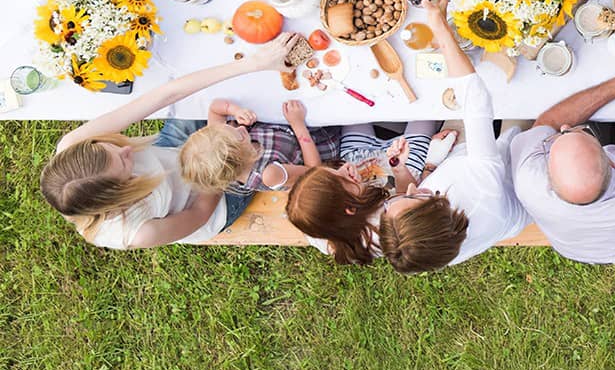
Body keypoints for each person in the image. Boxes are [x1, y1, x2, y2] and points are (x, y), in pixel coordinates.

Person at [38, 32, 300, 249]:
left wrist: (254, 63)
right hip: (215, 195)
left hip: (179, 150)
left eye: (112, 148)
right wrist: (215, 157)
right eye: (124, 161)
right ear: (121, 192)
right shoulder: (135, 232)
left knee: (218, 92)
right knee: (267, 137)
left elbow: (167, 95)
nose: (128, 149)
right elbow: (198, 215)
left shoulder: (73, 147)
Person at [374, 0, 530, 272]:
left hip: (459, 155)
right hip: (514, 159)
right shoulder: (482, 192)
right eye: (415, 196)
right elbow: (477, 98)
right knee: (522, 87)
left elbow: (412, 196)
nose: (410, 186)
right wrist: (440, 27)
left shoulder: (427, 246)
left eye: (394, 201)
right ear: (438, 210)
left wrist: (402, 168)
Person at [510, 15, 615, 265]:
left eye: (561, 136)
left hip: (573, 247)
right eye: (575, 132)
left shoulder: (528, 180)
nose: (566, 127)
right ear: (613, 161)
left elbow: (549, 122)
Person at [284, 125, 455, 266]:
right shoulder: (385, 227)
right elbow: (407, 195)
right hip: (395, 174)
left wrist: (350, 180)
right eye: (344, 177)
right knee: (423, 115)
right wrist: (399, 167)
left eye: (337, 170)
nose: (345, 167)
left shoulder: (318, 223)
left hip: (360, 156)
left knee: (356, 111)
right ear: (350, 208)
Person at [176, 97, 343, 222]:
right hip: (316, 141)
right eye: (240, 135)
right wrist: (297, 123)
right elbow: (315, 171)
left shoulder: (220, 140)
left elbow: (215, 108)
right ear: (240, 159)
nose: (241, 128)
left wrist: (235, 111)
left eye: (229, 127)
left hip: (287, 125)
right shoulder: (270, 174)